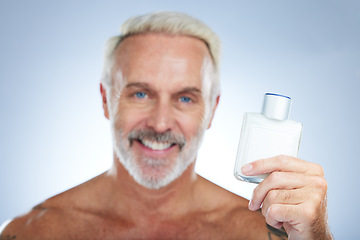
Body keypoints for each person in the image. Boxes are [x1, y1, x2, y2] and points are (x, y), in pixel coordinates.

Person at [0, 12, 332, 239]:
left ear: (211, 110)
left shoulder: (264, 233)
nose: (160, 123)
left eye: (185, 98)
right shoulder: (34, 232)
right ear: (106, 99)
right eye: (141, 93)